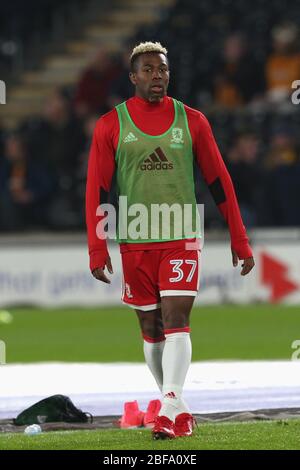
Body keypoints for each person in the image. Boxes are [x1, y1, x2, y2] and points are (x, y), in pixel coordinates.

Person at [86, 42, 255, 440]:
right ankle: (176, 409)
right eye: (147, 70)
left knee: (177, 319)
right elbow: (97, 189)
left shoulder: (192, 121)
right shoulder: (111, 124)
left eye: (162, 69)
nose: (157, 76)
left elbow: (220, 181)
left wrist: (239, 237)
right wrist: (97, 246)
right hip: (136, 236)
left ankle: (169, 408)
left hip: (181, 233)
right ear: (133, 77)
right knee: (151, 328)